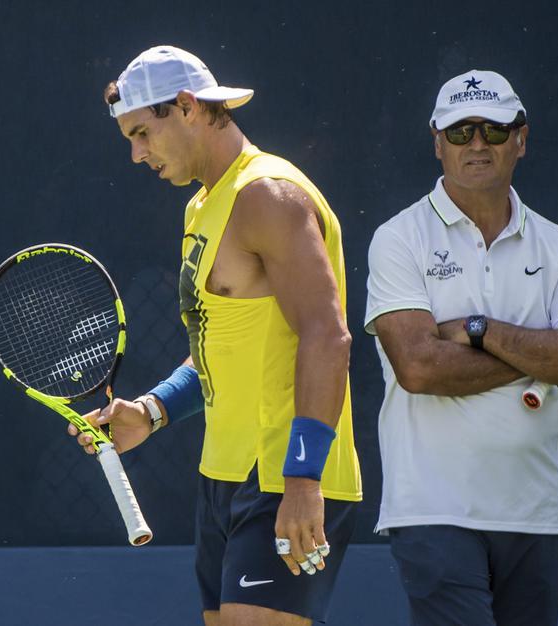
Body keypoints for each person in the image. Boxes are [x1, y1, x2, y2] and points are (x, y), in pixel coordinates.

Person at [67, 45, 362, 626]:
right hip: (222, 479)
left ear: (185, 107)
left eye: (142, 133)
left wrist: (302, 479)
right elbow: (218, 345)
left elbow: (328, 337)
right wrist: (152, 412)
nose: (135, 153)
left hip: (285, 476)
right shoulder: (202, 206)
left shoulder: (267, 195)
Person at [364, 69, 558, 626]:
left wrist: (479, 328)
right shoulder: (398, 238)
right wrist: (541, 355)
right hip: (433, 509)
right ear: (437, 143)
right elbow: (420, 367)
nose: (477, 144)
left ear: (521, 139)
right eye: (460, 131)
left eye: (494, 131)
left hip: (536, 514)